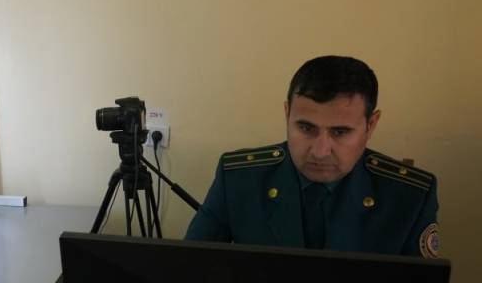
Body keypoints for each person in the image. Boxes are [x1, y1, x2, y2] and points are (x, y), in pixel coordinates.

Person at [185, 55, 440, 257]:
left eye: (340, 132)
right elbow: (191, 270)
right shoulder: (239, 179)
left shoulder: (409, 197)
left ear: (371, 125)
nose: (320, 151)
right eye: (306, 128)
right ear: (287, 114)